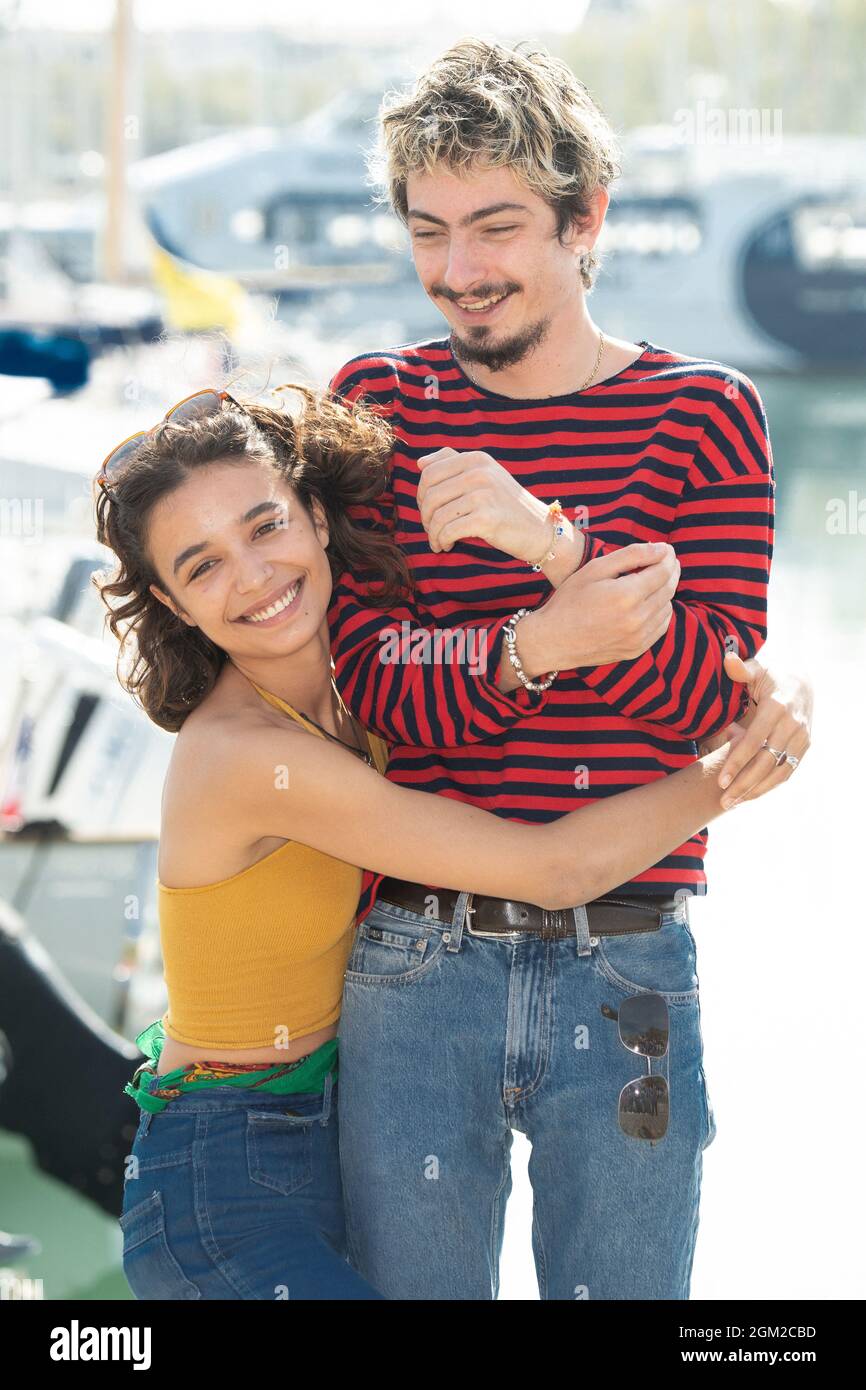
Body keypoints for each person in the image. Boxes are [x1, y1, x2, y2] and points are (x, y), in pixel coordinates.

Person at [96, 382, 799, 1301]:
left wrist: (753, 689)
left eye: (265, 528)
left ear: (315, 516)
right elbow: (555, 869)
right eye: (203, 566)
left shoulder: (366, 714)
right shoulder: (241, 754)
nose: (255, 576)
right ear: (174, 603)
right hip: (220, 1178)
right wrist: (743, 762)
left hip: (320, 1144)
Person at [323, 38, 813, 1299]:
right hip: (410, 963)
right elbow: (368, 684)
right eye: (427, 232)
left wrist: (548, 546)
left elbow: (711, 702)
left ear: (582, 218)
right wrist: (537, 646)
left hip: (632, 964)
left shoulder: (701, 413)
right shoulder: (370, 404)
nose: (458, 272)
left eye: (494, 228)